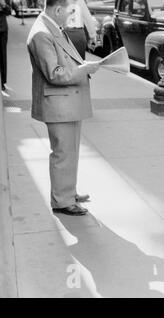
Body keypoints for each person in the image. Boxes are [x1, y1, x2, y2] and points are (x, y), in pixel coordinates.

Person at [27, 0, 100, 216]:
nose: (70, 16)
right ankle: (62, 200)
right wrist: (84, 69)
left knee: (70, 151)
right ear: (57, 10)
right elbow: (56, 73)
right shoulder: (42, 33)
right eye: (69, 12)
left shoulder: (50, 27)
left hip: (66, 102)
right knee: (63, 152)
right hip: (59, 103)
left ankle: (68, 192)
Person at [0, 0, 11, 91]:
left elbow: (9, 11)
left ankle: (2, 82)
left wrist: (3, 4)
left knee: (3, 57)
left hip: (2, 31)